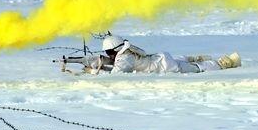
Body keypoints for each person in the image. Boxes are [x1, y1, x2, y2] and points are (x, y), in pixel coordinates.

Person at [86, 35, 241, 75]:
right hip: (160, 59)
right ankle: (194, 57)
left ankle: (226, 62)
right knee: (184, 61)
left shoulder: (125, 58)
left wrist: (93, 71)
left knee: (197, 68)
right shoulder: (126, 52)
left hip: (165, 67)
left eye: (108, 53)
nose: (108, 55)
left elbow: (116, 74)